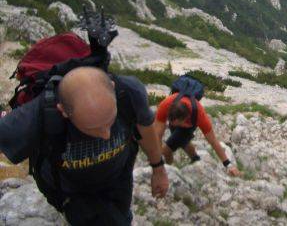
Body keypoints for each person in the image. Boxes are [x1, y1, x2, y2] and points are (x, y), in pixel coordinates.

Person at [0, 67, 169, 225]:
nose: (106, 134)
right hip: (70, 192)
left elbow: (145, 129)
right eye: (93, 128)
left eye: (110, 120)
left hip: (117, 179)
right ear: (64, 111)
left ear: (112, 87)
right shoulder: (34, 116)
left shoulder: (129, 92)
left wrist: (158, 169)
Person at [154, 92, 240, 176]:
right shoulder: (165, 106)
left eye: (177, 124)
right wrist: (157, 158)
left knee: (166, 150)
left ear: (185, 119)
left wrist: (228, 164)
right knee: (182, 141)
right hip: (177, 117)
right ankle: (195, 159)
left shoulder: (199, 115)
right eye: (171, 122)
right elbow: (158, 134)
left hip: (189, 123)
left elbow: (213, 141)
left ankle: (168, 171)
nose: (172, 125)